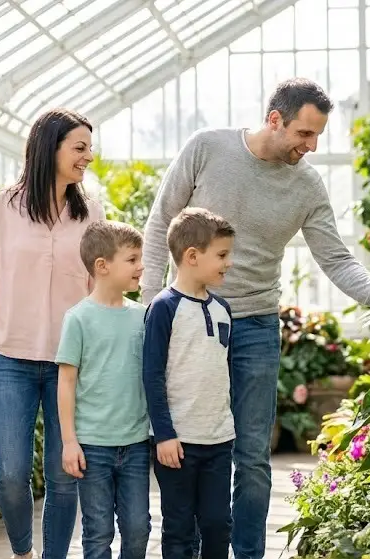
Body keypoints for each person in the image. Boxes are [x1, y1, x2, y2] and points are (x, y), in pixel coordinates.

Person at [140, 78, 370, 559]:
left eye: (318, 136)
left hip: (254, 322)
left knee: (252, 453)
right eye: (304, 133)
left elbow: (336, 259)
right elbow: (160, 223)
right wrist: (155, 304)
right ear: (274, 119)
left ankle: (249, 554)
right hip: (187, 320)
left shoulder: (306, 185)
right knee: (186, 442)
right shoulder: (207, 148)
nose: (311, 146)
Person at [0, 107, 105, 559]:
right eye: (79, 148)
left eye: (89, 148)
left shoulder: (91, 210)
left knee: (65, 476)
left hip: (70, 365)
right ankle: (23, 551)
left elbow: (98, 290)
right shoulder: (0, 207)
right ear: (50, 147)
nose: (88, 158)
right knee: (11, 475)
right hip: (10, 360)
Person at [144, 207, 236, 559]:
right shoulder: (163, 307)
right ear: (192, 256)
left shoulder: (222, 309)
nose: (229, 263)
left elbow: (222, 373)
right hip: (177, 444)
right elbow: (152, 375)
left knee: (217, 523)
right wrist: (164, 434)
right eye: (223, 255)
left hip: (218, 440)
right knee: (179, 528)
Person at [55, 220, 151, 559]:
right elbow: (66, 382)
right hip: (93, 446)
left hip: (136, 443)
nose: (141, 267)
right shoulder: (78, 318)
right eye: (132, 259)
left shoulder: (143, 316)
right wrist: (69, 442)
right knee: (97, 533)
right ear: (102, 266)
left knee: (139, 528)